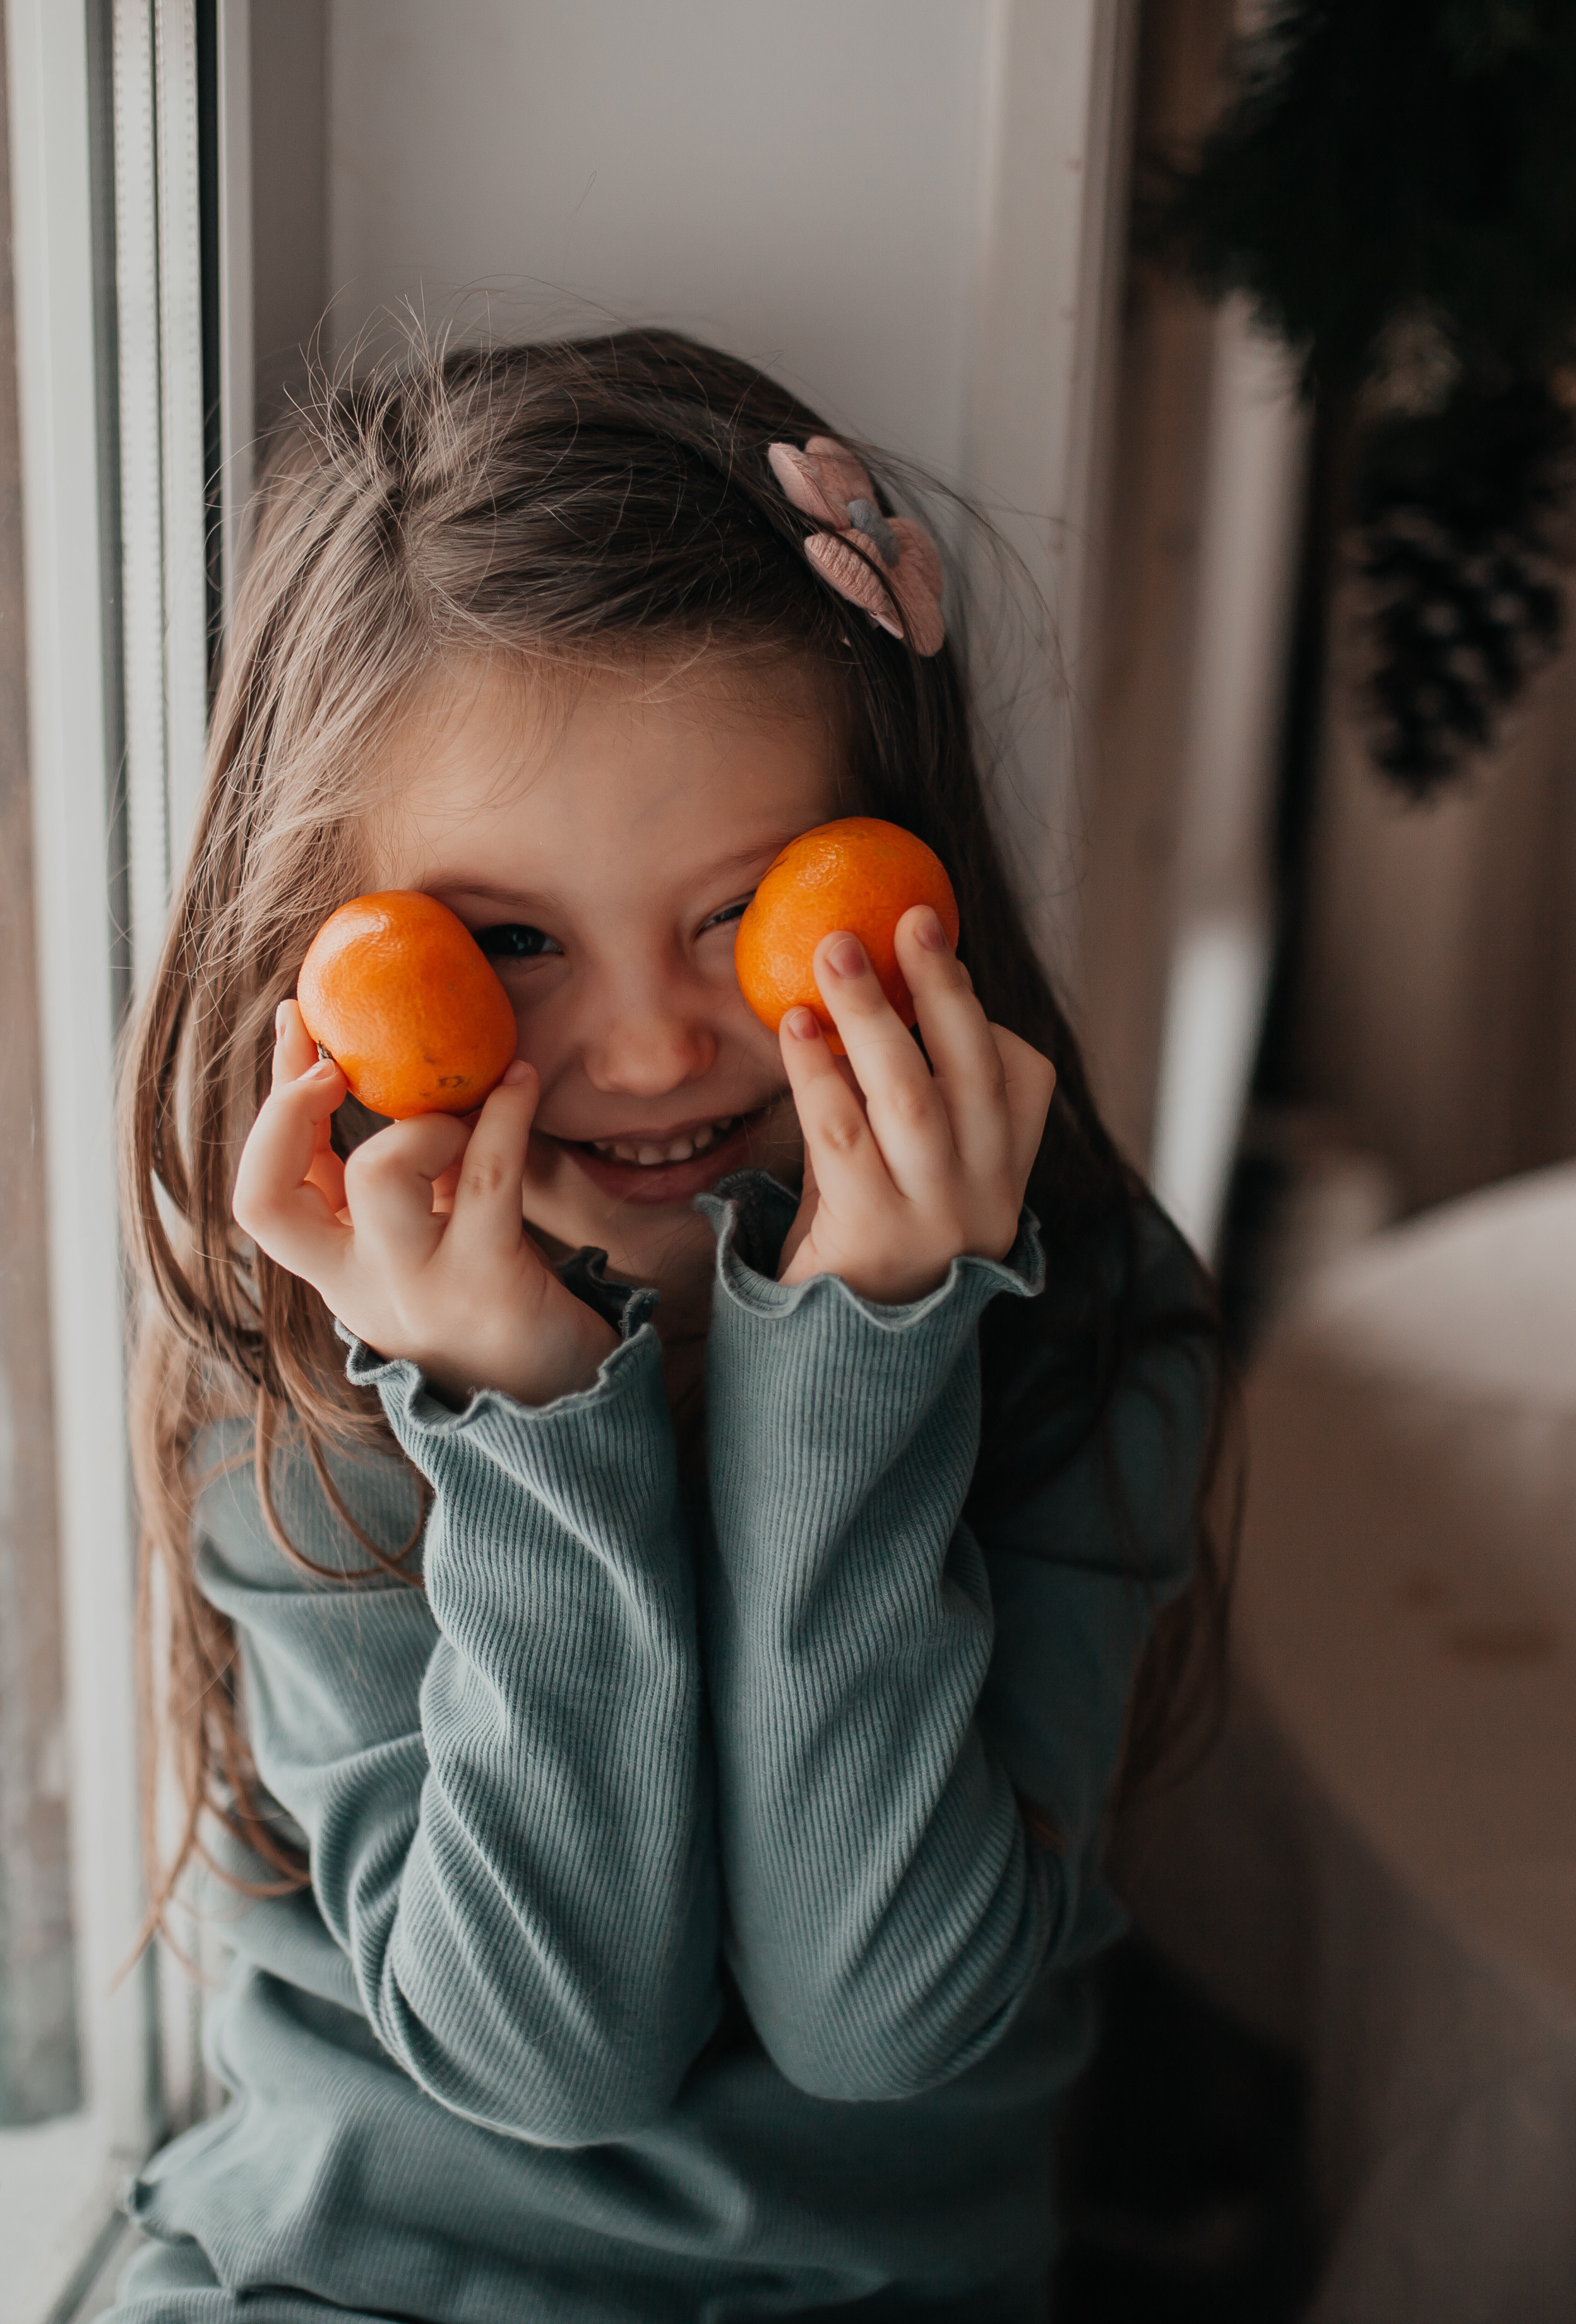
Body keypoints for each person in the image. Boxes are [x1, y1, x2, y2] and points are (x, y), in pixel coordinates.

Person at [111, 330, 1226, 2323]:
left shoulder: (1088, 1328)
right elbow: (549, 2049)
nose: (643, 1046)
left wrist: (873, 1350)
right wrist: (510, 1407)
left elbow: (885, 2007)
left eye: (742, 912)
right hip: (337, 2281)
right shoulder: (299, 1370)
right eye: (511, 941)